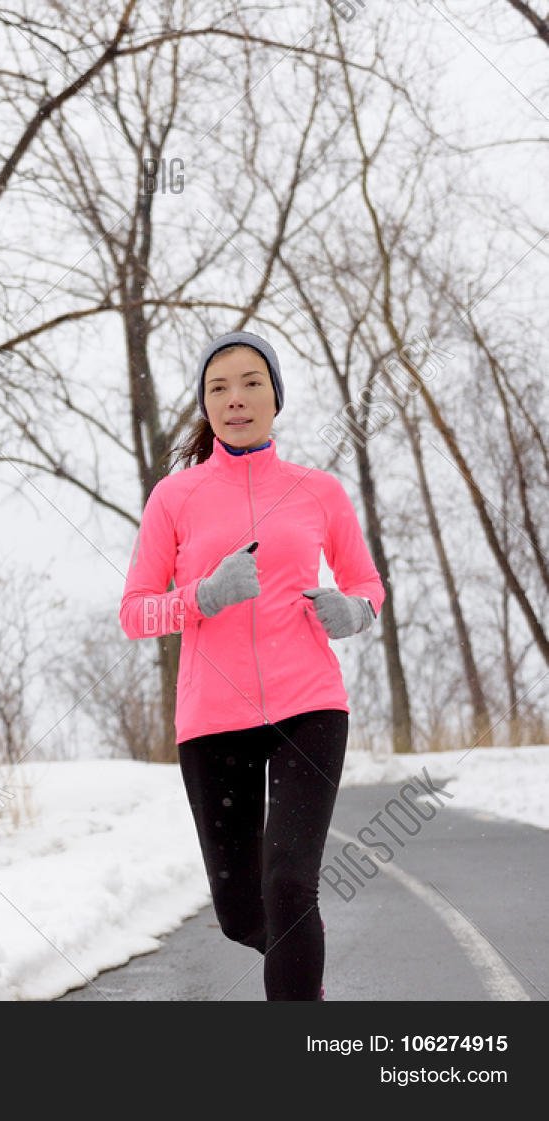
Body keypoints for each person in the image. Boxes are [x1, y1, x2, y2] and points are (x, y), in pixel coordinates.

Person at [118, 330, 385, 1001]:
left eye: (251, 382)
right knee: (244, 911)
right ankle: (301, 971)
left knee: (290, 881)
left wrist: (354, 612)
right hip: (214, 716)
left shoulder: (317, 490)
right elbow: (134, 612)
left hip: (310, 704)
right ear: (206, 407)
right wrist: (202, 597)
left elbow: (368, 584)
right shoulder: (174, 498)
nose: (236, 398)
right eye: (219, 387)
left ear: (275, 397)